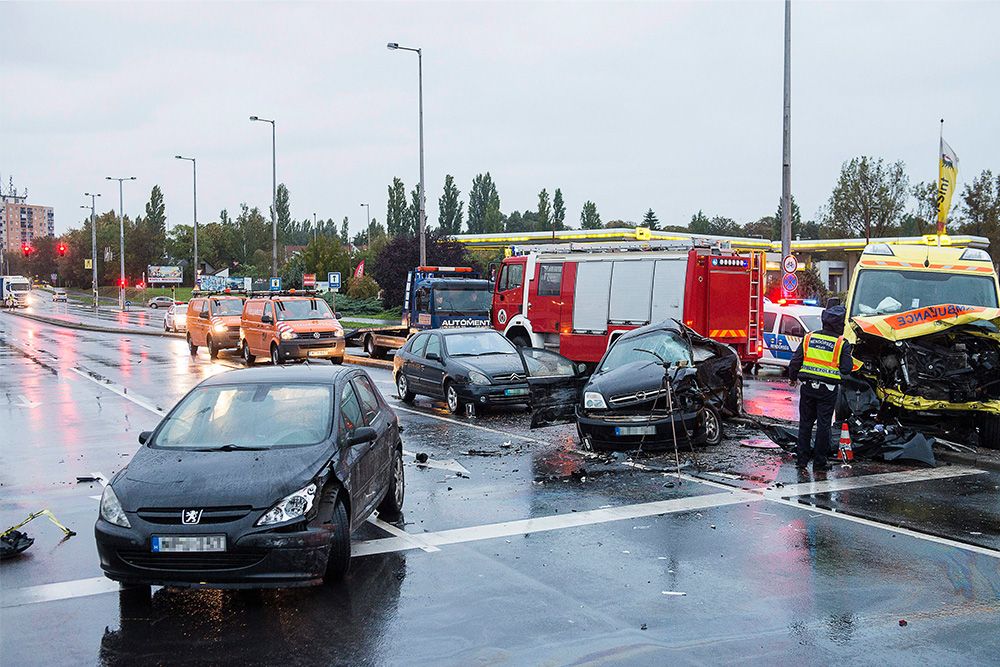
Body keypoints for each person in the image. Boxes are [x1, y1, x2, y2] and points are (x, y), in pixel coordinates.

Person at [788, 304, 853, 472]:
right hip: (828, 390)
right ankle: (819, 463)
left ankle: (802, 460)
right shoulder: (841, 343)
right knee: (824, 426)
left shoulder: (809, 338)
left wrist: (792, 378)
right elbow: (846, 369)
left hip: (808, 387)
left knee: (805, 424)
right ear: (839, 325)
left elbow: (796, 361)